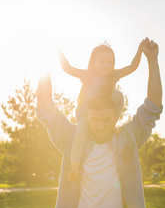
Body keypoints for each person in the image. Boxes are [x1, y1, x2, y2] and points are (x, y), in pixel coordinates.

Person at [36, 38, 162, 208]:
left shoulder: (126, 138)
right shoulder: (73, 137)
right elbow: (46, 109)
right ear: (86, 116)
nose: (101, 126)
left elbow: (153, 107)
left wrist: (152, 60)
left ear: (115, 116)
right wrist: (45, 65)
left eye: (107, 120)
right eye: (95, 120)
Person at [59, 41, 143, 182]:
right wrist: (58, 50)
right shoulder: (87, 75)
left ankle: (111, 125)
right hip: (85, 114)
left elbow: (132, 67)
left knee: (118, 95)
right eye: (102, 62)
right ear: (94, 63)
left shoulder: (114, 76)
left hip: (104, 115)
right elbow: (67, 68)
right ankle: (74, 167)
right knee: (81, 132)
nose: (106, 65)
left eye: (110, 62)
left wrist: (140, 50)